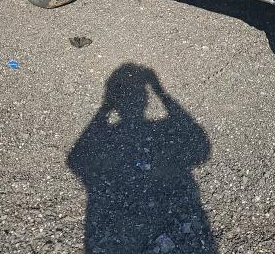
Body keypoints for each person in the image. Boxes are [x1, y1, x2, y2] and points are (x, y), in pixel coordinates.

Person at [68, 63, 214, 253]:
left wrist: (106, 107)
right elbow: (201, 146)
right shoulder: (158, 131)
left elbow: (76, 159)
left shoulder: (115, 136)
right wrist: (161, 93)